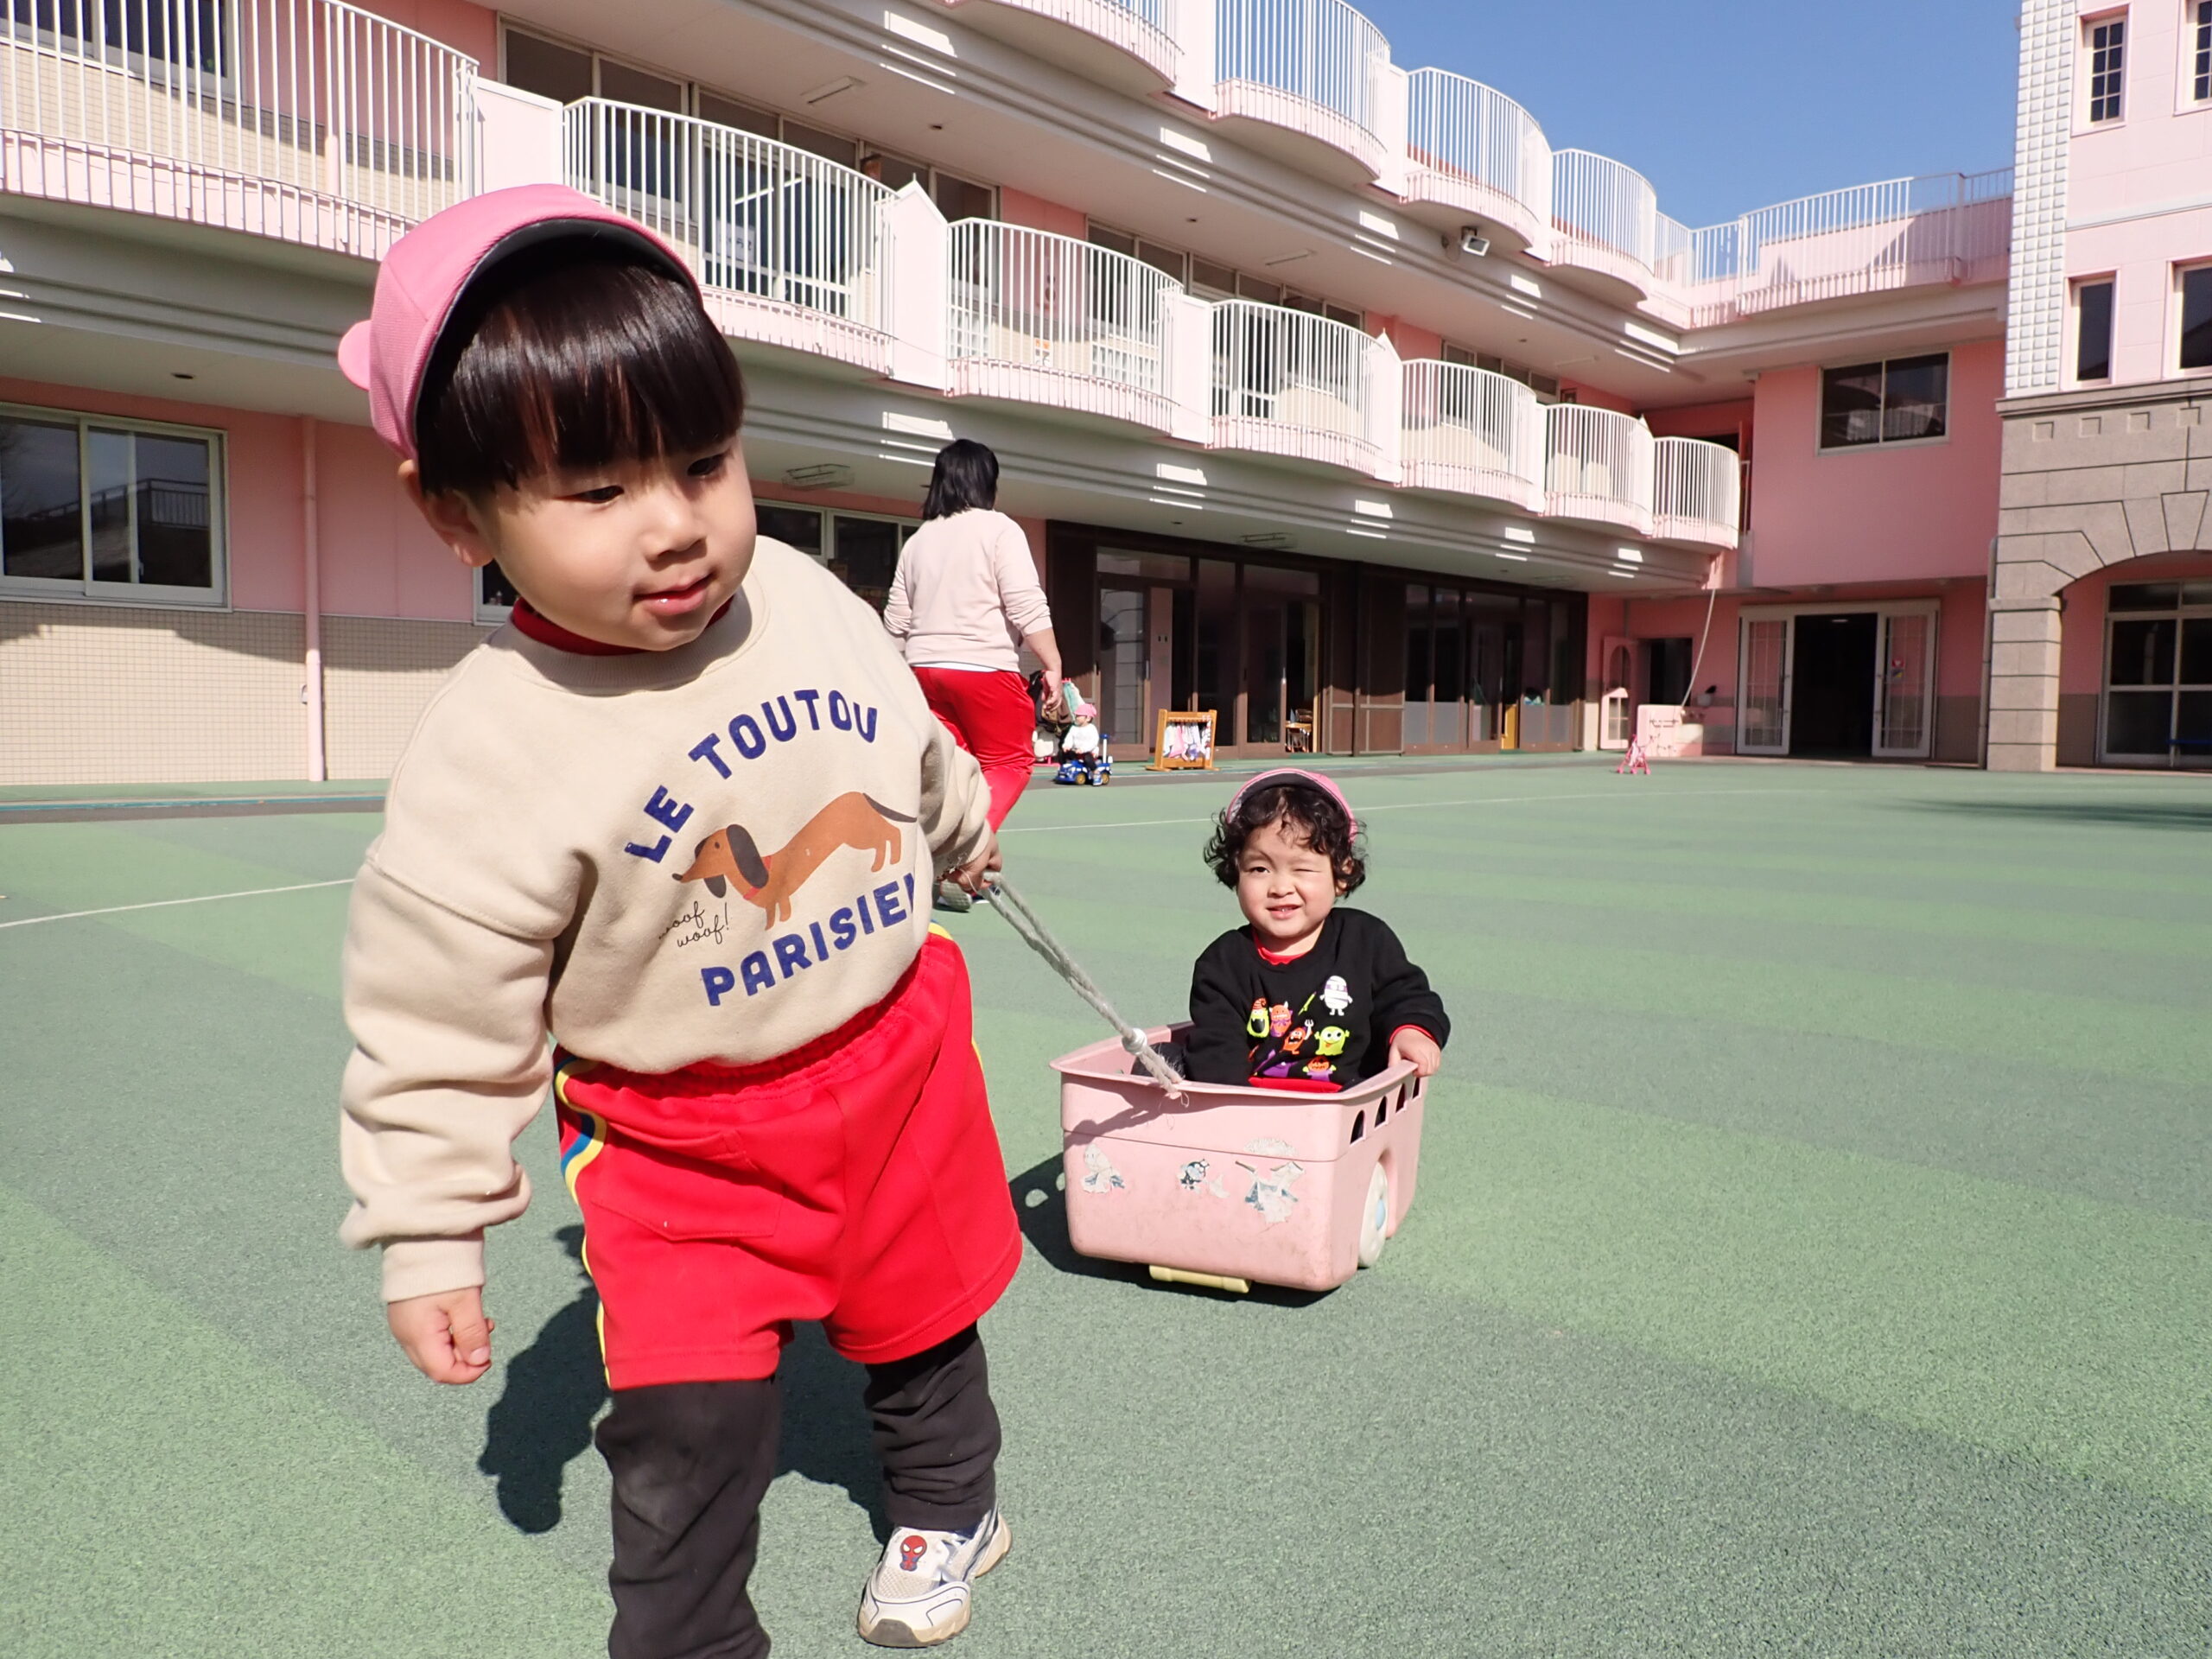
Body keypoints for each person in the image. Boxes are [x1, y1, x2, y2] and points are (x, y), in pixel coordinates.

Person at [333, 185, 1021, 1658]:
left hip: (893, 1065)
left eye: (705, 463)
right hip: (681, 1144)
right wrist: (430, 1233)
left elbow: (901, 744)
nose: (677, 528)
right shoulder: (488, 753)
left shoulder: (801, 593)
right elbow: (437, 1017)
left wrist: (962, 827)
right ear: (454, 512)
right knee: (681, 1424)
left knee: (923, 1326)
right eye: (596, 492)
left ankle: (949, 1505)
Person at [1185, 769, 1448, 1089]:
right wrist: (1237, 1103)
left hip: (1351, 1097)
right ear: (1236, 872)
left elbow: (1406, 997)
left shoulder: (1365, 940)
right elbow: (1216, 1046)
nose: (1280, 887)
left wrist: (1411, 1031)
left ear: (1341, 873)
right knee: (1166, 1058)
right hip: (1257, 1103)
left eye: (1302, 868)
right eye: (1259, 868)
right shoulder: (1223, 961)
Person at [883, 440, 1063, 841]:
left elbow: (896, 621)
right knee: (1009, 762)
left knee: (957, 769)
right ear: (988, 482)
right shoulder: (1000, 529)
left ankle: (939, 854)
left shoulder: (918, 540)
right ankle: (967, 856)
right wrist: (1052, 663)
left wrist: (894, 677)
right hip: (983, 668)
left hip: (924, 671)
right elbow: (1025, 603)